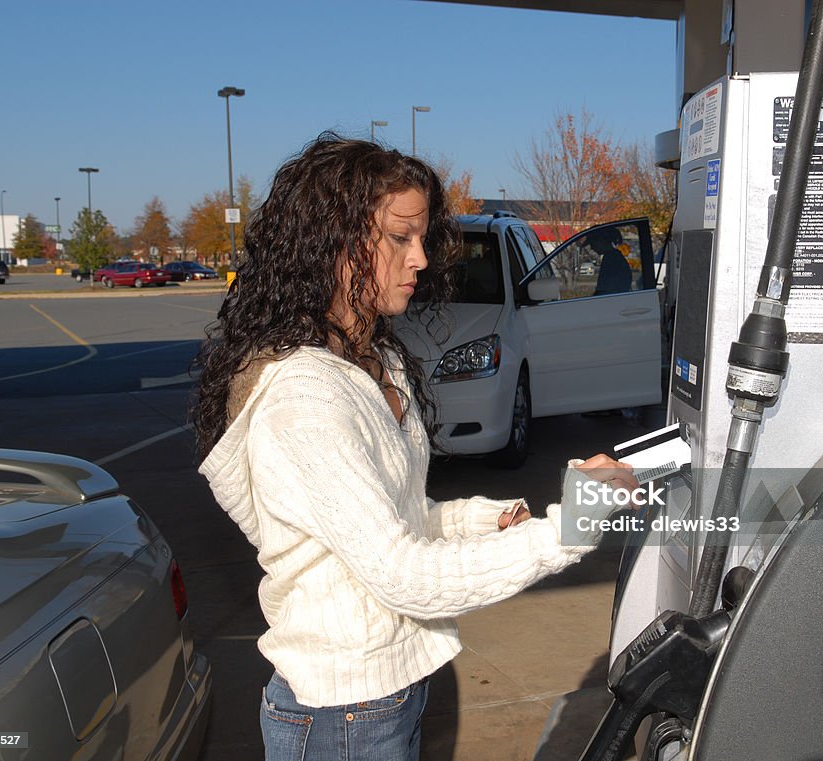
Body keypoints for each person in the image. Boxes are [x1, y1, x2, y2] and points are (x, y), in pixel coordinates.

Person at [192, 133, 638, 761]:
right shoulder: (304, 397)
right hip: (339, 715)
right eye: (400, 238)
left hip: (387, 697)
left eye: (423, 238)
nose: (422, 258)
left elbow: (399, 518)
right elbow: (401, 574)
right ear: (335, 246)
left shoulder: (379, 362)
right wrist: (568, 530)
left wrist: (484, 520)